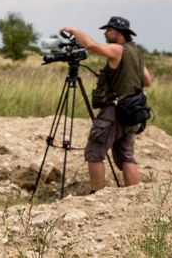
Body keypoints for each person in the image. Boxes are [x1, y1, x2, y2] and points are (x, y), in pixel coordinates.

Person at [61, 16, 153, 193]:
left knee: (94, 152)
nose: (105, 33)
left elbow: (91, 46)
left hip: (115, 110)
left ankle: (97, 195)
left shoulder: (118, 50)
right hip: (134, 110)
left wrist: (72, 30)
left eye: (109, 30)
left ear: (119, 33)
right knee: (127, 156)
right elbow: (147, 80)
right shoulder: (135, 51)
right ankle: (133, 196)